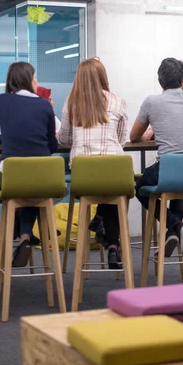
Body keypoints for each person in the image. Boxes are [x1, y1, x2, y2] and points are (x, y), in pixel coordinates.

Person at [0, 62, 58, 267]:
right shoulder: (44, 104)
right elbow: (52, 145)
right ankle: (25, 236)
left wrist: (7, 137)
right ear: (29, 80)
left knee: (22, 187)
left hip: (12, 177)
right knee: (33, 189)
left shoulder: (0, 101)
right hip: (44, 177)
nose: (37, 82)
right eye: (35, 78)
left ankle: (23, 236)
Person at [130, 57, 183, 258]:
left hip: (170, 169)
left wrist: (152, 131)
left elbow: (134, 137)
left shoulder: (152, 101)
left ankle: (176, 225)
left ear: (159, 80)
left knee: (141, 188)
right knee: (177, 184)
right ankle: (172, 233)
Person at [58, 58, 128, 269]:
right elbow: (121, 140)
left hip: (84, 177)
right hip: (114, 172)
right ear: (103, 77)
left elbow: (64, 140)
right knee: (113, 193)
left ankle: (100, 222)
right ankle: (113, 245)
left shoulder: (71, 102)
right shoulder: (118, 101)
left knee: (100, 185)